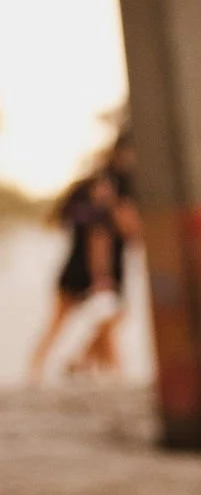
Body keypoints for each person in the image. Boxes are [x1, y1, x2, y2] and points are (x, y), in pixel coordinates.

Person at [26, 138, 133, 380]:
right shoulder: (101, 195)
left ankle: (77, 363)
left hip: (90, 270)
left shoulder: (100, 192)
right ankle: (98, 369)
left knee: (105, 323)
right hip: (91, 271)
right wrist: (102, 277)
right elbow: (101, 240)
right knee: (93, 322)